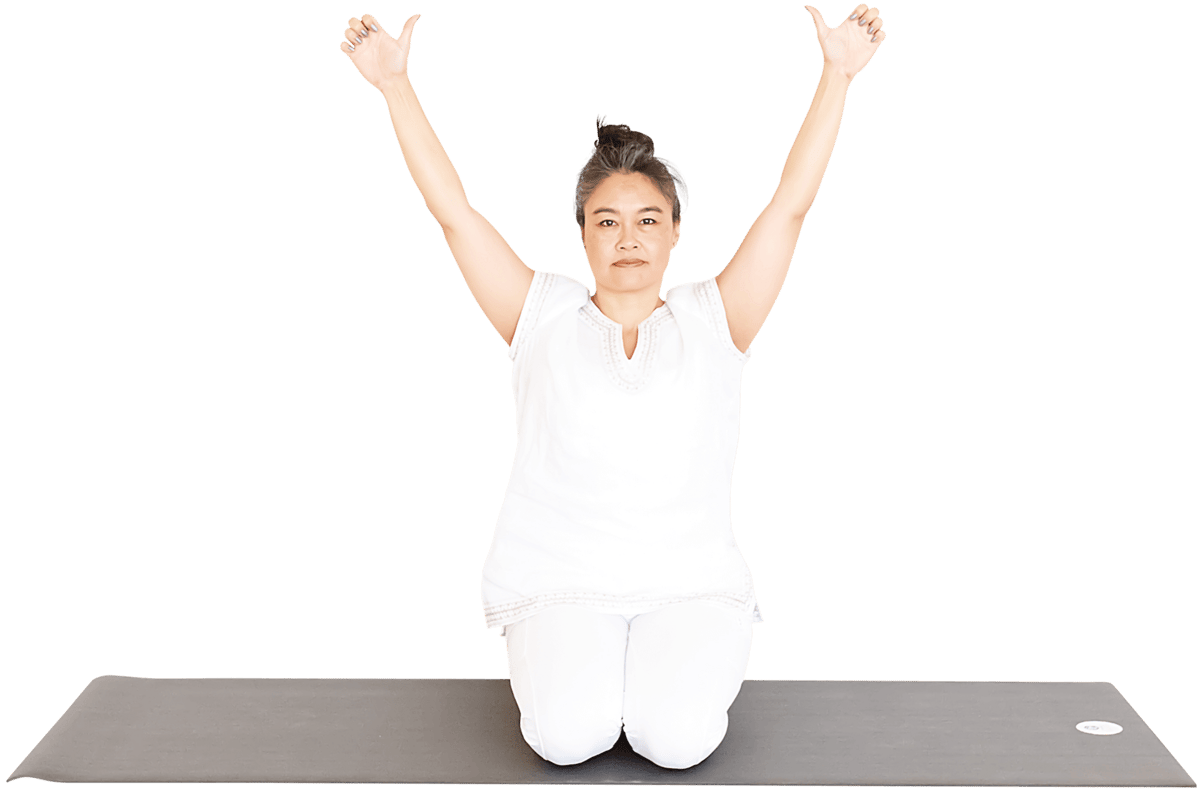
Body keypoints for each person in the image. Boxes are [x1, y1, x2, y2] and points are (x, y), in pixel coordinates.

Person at [338, 5, 887, 770]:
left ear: (674, 231)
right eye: (606, 221)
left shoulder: (717, 316)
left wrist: (837, 75)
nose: (628, 238)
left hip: (690, 586)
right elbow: (455, 215)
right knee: (566, 735)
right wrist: (395, 86)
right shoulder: (539, 312)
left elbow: (788, 207)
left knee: (676, 739)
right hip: (561, 581)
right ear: (583, 232)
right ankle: (597, 681)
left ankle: (652, 685)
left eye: (647, 219)